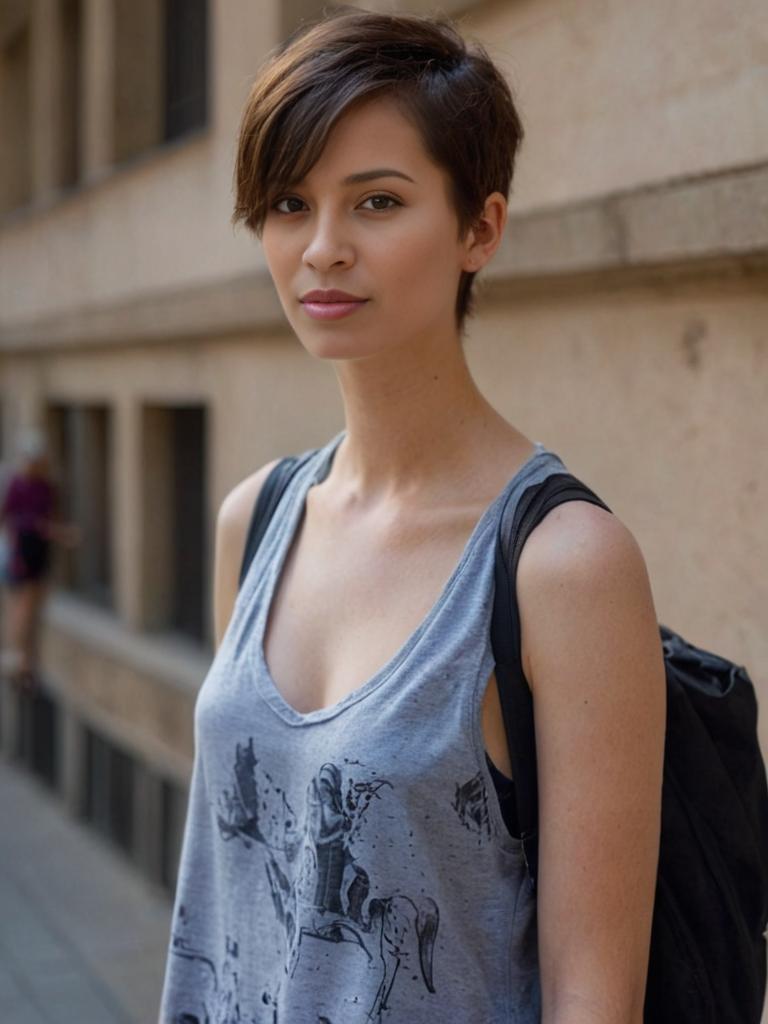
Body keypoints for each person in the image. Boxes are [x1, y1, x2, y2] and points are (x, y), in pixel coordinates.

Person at [159, 9, 666, 1023]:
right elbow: (229, 908)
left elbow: (592, 999)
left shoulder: (563, 566)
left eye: (377, 201)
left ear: (481, 227)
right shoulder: (255, 518)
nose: (323, 250)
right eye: (290, 204)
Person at [0, 427, 80, 694]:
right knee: (21, 605)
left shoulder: (45, 487)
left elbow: (48, 518)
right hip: (22, 550)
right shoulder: (17, 484)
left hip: (38, 552)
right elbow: (17, 520)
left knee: (32, 604)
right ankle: (18, 656)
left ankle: (26, 657)